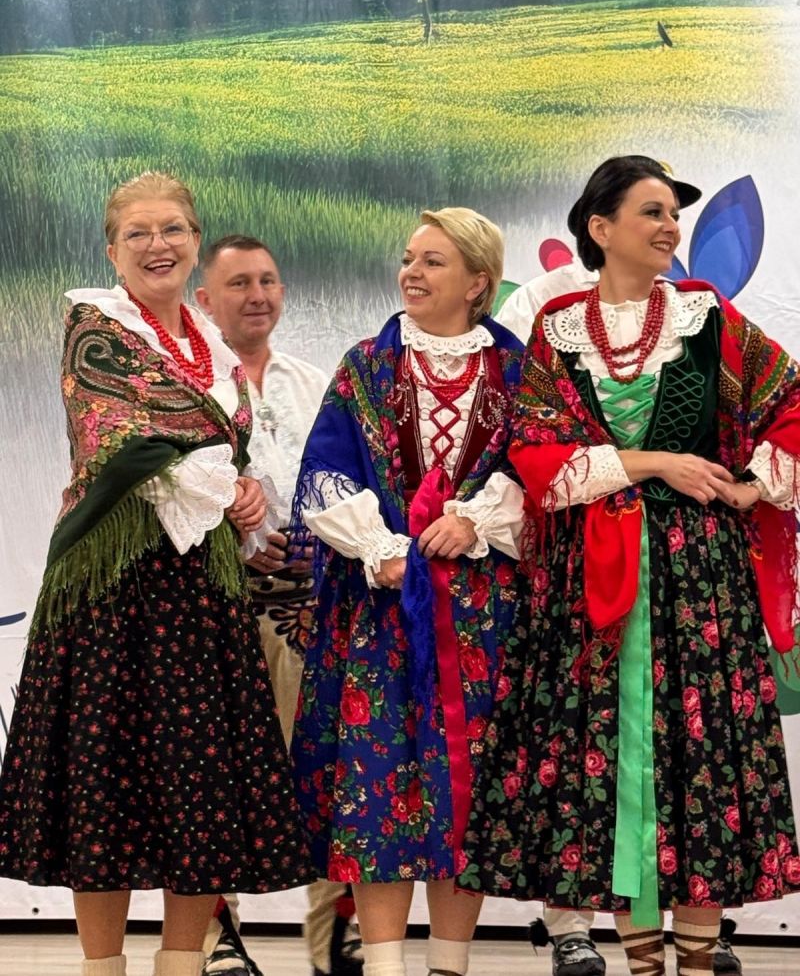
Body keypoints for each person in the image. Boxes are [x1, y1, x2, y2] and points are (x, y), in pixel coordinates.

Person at [459, 156, 800, 976]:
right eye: (652, 211)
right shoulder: (558, 329)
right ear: (600, 227)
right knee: (606, 767)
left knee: (699, 760)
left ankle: (696, 959)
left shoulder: (707, 317)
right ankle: (639, 961)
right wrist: (653, 463)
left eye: (674, 214)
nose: (670, 227)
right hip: (590, 582)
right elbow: (536, 455)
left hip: (697, 579)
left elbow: (791, 402)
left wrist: (754, 483)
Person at [0, 172, 312, 976]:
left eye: (172, 228)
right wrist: (223, 484)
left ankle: (183, 963)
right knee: (102, 793)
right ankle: (102, 967)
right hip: (113, 589)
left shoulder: (208, 342)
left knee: (199, 791)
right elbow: (124, 444)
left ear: (195, 241)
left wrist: (246, 486)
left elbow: (224, 448)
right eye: (137, 232)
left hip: (201, 590)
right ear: (112, 250)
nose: (157, 244)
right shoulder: (95, 327)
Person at [290, 208, 526, 976]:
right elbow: (323, 473)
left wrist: (475, 519)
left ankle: (449, 965)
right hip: (380, 614)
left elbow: (540, 468)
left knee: (463, 796)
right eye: (408, 258)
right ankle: (385, 966)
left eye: (433, 261)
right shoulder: (367, 365)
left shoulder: (518, 371)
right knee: (377, 790)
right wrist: (381, 547)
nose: (411, 273)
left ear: (478, 282)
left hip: (483, 620)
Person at [195, 234, 362, 976]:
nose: (257, 295)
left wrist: (322, 544)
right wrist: (232, 539)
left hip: (308, 608)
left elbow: (344, 484)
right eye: (238, 283)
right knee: (210, 774)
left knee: (330, 767)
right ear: (205, 300)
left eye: (267, 280)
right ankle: (214, 937)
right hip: (214, 606)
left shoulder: (313, 382)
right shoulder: (187, 385)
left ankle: (335, 934)